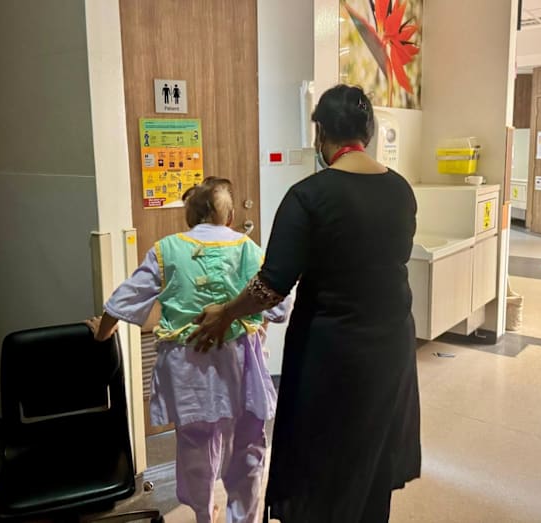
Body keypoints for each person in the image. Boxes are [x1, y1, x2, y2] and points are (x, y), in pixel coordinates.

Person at [188, 85, 421, 522]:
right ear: (368, 132)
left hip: (332, 352)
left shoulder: (308, 196)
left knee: (323, 459)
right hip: (392, 348)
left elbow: (271, 287)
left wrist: (226, 313)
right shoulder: (400, 191)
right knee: (371, 456)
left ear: (321, 134)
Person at [86, 177, 289, 523]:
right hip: (240, 364)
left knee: (196, 446)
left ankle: (203, 513)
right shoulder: (248, 249)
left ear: (190, 217)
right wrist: (255, 329)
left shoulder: (166, 250)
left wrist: (102, 333)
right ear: (229, 217)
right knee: (245, 447)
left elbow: (122, 301)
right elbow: (280, 307)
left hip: (187, 369)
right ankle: (243, 518)